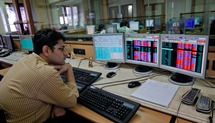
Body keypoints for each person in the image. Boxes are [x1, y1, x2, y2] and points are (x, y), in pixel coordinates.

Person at [0, 28, 91, 123]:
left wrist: (56, 103)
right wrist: (69, 70)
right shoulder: (46, 74)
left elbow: (39, 83)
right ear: (46, 50)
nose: (66, 53)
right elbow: (71, 101)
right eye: (61, 48)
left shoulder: (26, 59)